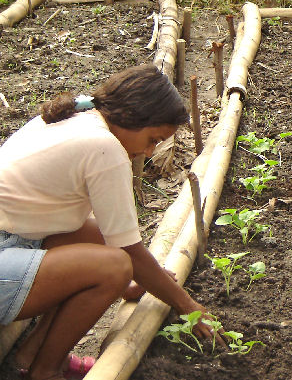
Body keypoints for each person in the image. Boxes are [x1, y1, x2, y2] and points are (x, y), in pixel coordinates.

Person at [0, 65, 220, 380]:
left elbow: (113, 237)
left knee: (98, 239)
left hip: (13, 239)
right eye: (152, 138)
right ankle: (45, 372)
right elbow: (128, 252)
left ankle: (31, 355)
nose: (148, 151)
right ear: (134, 117)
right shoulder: (104, 148)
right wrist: (187, 305)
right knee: (114, 266)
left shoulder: (78, 116)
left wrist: (143, 279)